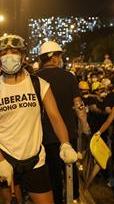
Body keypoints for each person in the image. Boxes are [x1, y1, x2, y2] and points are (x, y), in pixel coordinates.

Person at [0, 35, 78, 204]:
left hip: (35, 159)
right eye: (4, 53)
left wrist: (65, 143)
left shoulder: (39, 84)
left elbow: (55, 117)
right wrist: (0, 161)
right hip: (5, 157)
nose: (9, 56)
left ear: (23, 56)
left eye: (14, 52)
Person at [36, 41, 87, 203]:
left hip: (45, 135)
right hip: (68, 132)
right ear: (55, 57)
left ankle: (57, 200)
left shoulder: (34, 78)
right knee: (70, 169)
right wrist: (84, 124)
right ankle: (75, 198)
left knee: (53, 174)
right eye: (60, 56)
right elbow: (79, 105)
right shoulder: (68, 77)